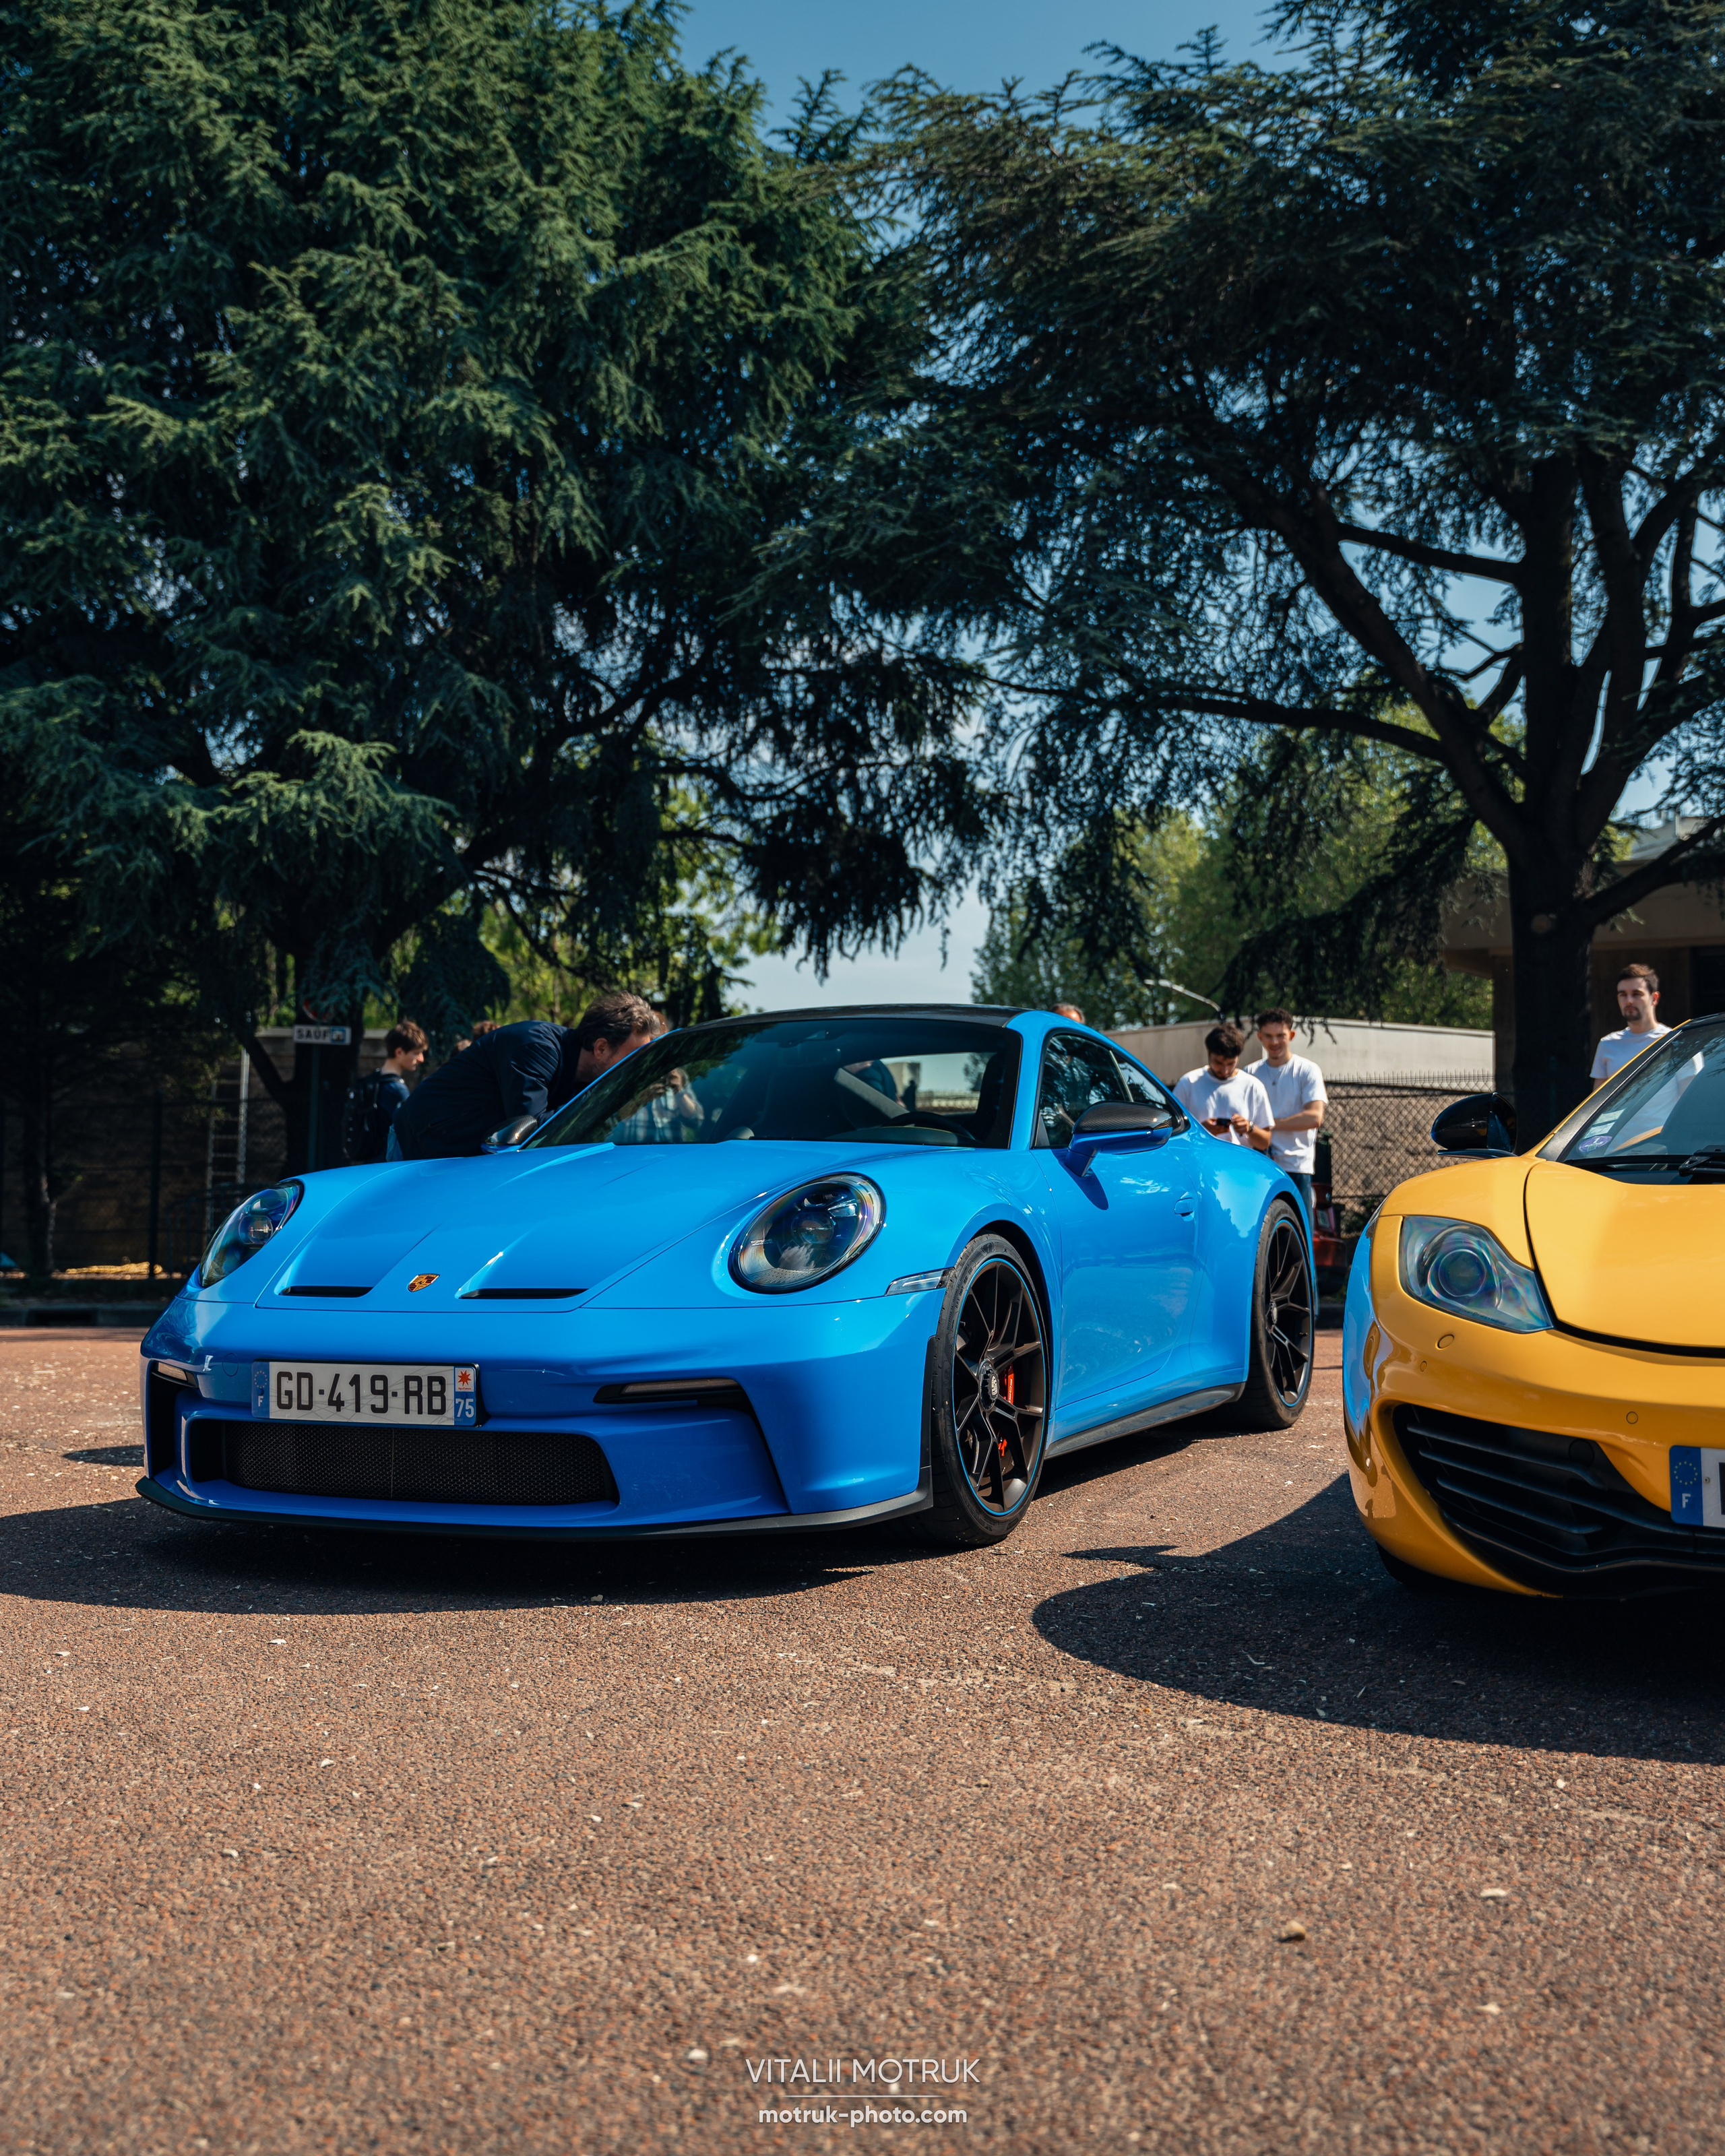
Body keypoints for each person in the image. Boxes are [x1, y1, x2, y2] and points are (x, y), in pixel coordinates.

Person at [388, 992, 660, 1160]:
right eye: (633, 1056)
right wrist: (607, 1102)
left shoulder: (586, 1077)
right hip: (415, 1146)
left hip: (457, 1160)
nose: (636, 1068)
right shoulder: (535, 1047)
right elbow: (533, 1134)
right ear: (601, 1048)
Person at [1244, 1007, 1327, 1214]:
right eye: (1269, 1036)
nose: (1274, 1042)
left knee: (1299, 1236)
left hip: (1296, 1166)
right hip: (1259, 1165)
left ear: (1291, 1035)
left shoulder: (1307, 1070)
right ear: (1260, 1037)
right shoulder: (1250, 1072)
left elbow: (1315, 1117)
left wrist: (1267, 1125)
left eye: (1280, 1036)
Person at [1173, 1023, 1274, 1149]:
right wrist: (1201, 1130)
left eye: (1231, 1063)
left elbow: (1265, 1143)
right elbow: (1172, 1133)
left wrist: (1250, 1127)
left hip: (1239, 1164)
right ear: (1208, 1053)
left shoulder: (1253, 1086)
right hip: (1200, 1163)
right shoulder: (1188, 1083)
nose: (1225, 1070)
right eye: (1218, 1063)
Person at [342, 1021, 427, 1164]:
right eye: (416, 1053)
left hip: (366, 1162)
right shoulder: (397, 1090)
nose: (421, 1059)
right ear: (399, 1052)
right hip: (385, 1165)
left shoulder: (372, 1081)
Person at [1591, 963, 1671, 1087]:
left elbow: (1692, 1097)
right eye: (1623, 995)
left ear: (1654, 998)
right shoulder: (1607, 1045)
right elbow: (1598, 1103)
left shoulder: (1675, 1041)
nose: (1629, 1000)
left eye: (1636, 994)